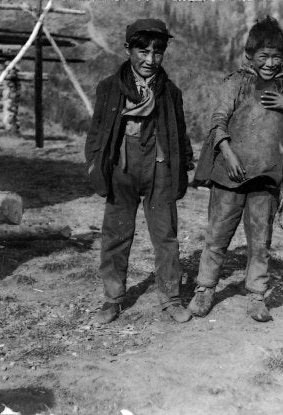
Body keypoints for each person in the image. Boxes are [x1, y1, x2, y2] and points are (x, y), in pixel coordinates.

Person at [190, 16, 283, 321]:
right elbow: (218, 121)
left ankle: (257, 295)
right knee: (218, 236)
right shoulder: (237, 82)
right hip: (230, 175)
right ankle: (205, 289)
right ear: (249, 56)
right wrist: (228, 154)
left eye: (277, 57)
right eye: (263, 56)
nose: (271, 63)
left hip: (267, 180)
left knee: (260, 241)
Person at [85, 18, 194, 324]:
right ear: (128, 49)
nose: (150, 59)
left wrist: (183, 163)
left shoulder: (170, 92)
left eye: (157, 52)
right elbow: (96, 133)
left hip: (159, 168)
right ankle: (112, 298)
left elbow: (179, 132)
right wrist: (94, 163)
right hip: (122, 167)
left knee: (166, 236)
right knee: (116, 235)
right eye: (142, 51)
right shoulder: (109, 88)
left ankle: (172, 297)